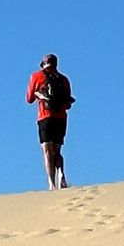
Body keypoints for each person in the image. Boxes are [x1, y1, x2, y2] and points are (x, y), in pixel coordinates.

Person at [26, 53, 74, 188]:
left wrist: (39, 94)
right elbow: (68, 104)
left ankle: (51, 183)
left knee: (47, 151)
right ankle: (62, 174)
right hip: (61, 118)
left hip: (45, 117)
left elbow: (29, 99)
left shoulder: (36, 76)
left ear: (43, 63)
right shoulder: (64, 79)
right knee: (57, 151)